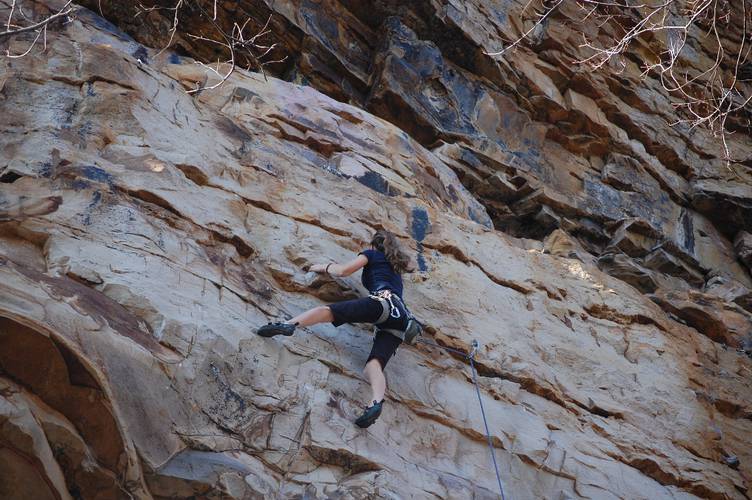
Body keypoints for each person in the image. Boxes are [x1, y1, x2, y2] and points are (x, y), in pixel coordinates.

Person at [256, 230, 414, 428]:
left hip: (381, 304)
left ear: (374, 244)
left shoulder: (371, 254)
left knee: (327, 311)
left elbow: (343, 271)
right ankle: (375, 403)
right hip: (402, 321)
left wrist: (321, 266)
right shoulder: (396, 268)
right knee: (374, 366)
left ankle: (288, 325)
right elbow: (411, 265)